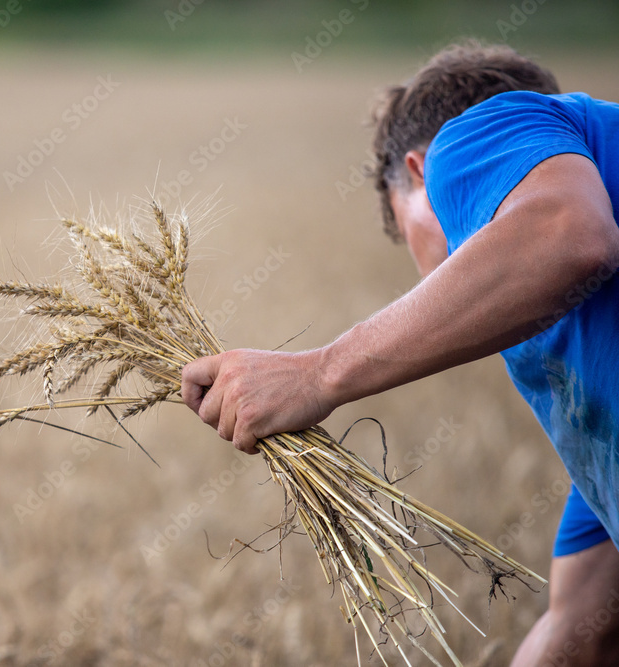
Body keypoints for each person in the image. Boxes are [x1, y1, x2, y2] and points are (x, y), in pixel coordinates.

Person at [181, 41, 619, 666]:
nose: (426, 283)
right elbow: (580, 634)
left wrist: (318, 374)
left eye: (404, 226)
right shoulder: (602, 438)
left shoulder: (479, 129)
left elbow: (566, 237)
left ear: (417, 170)